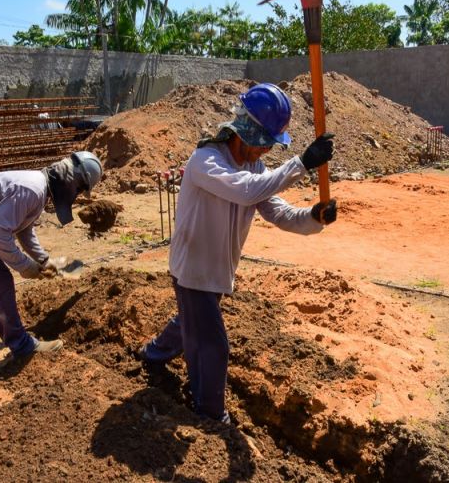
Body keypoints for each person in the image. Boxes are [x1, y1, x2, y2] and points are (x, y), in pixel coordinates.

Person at [139, 83, 337, 423]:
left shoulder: (256, 170)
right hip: (194, 270)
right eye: (264, 142)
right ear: (245, 131)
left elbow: (278, 212)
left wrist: (313, 218)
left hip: (217, 271)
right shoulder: (206, 161)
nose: (265, 152)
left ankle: (155, 354)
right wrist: (301, 163)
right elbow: (246, 193)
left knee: (191, 321)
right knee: (212, 345)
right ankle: (210, 414)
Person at [0, 151, 102, 359]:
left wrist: (43, 260)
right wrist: (24, 265)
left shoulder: (39, 189)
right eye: (80, 190)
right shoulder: (32, 189)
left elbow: (24, 229)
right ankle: (21, 345)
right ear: (73, 182)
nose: (76, 195)